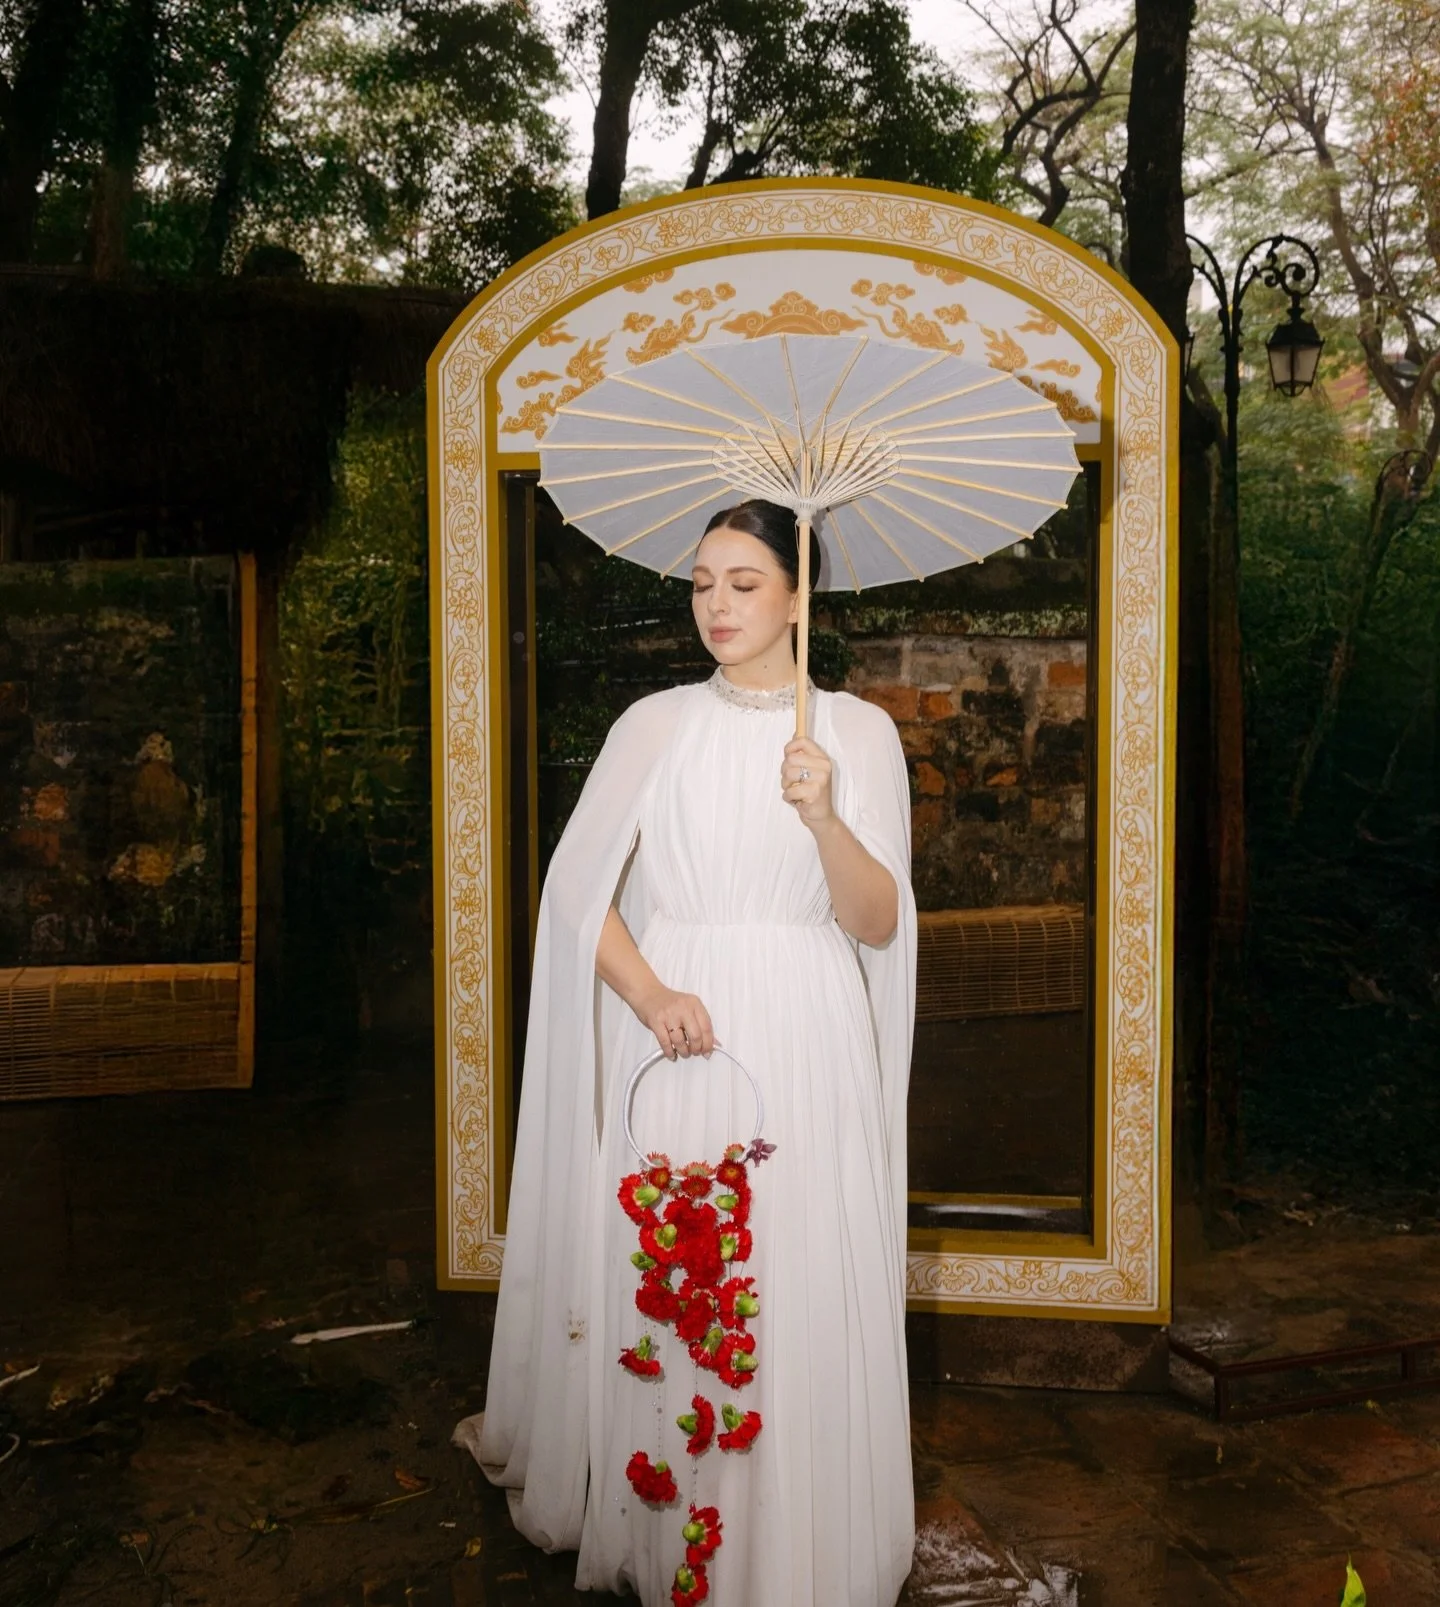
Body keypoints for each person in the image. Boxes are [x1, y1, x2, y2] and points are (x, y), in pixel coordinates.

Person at [456, 498, 917, 1606]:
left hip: (806, 1027)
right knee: (684, 1264)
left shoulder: (856, 734)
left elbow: (879, 920)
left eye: (745, 581)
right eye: (703, 580)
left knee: (794, 1272)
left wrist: (823, 817)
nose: (717, 602)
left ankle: (792, 1547)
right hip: (678, 1032)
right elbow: (577, 892)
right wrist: (652, 990)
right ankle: (674, 1532)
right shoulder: (653, 723)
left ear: (801, 594)